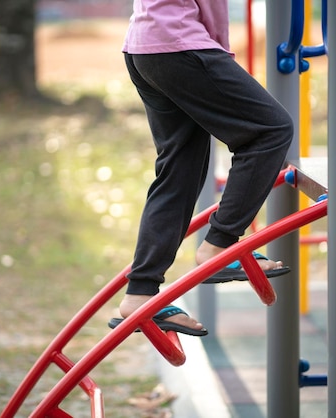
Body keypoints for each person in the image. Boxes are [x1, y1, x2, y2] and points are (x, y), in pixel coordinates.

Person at [114, 0, 294, 336]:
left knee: (178, 172)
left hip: (143, 45)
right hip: (180, 41)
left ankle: (140, 292)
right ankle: (220, 244)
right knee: (270, 130)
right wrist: (218, 53)